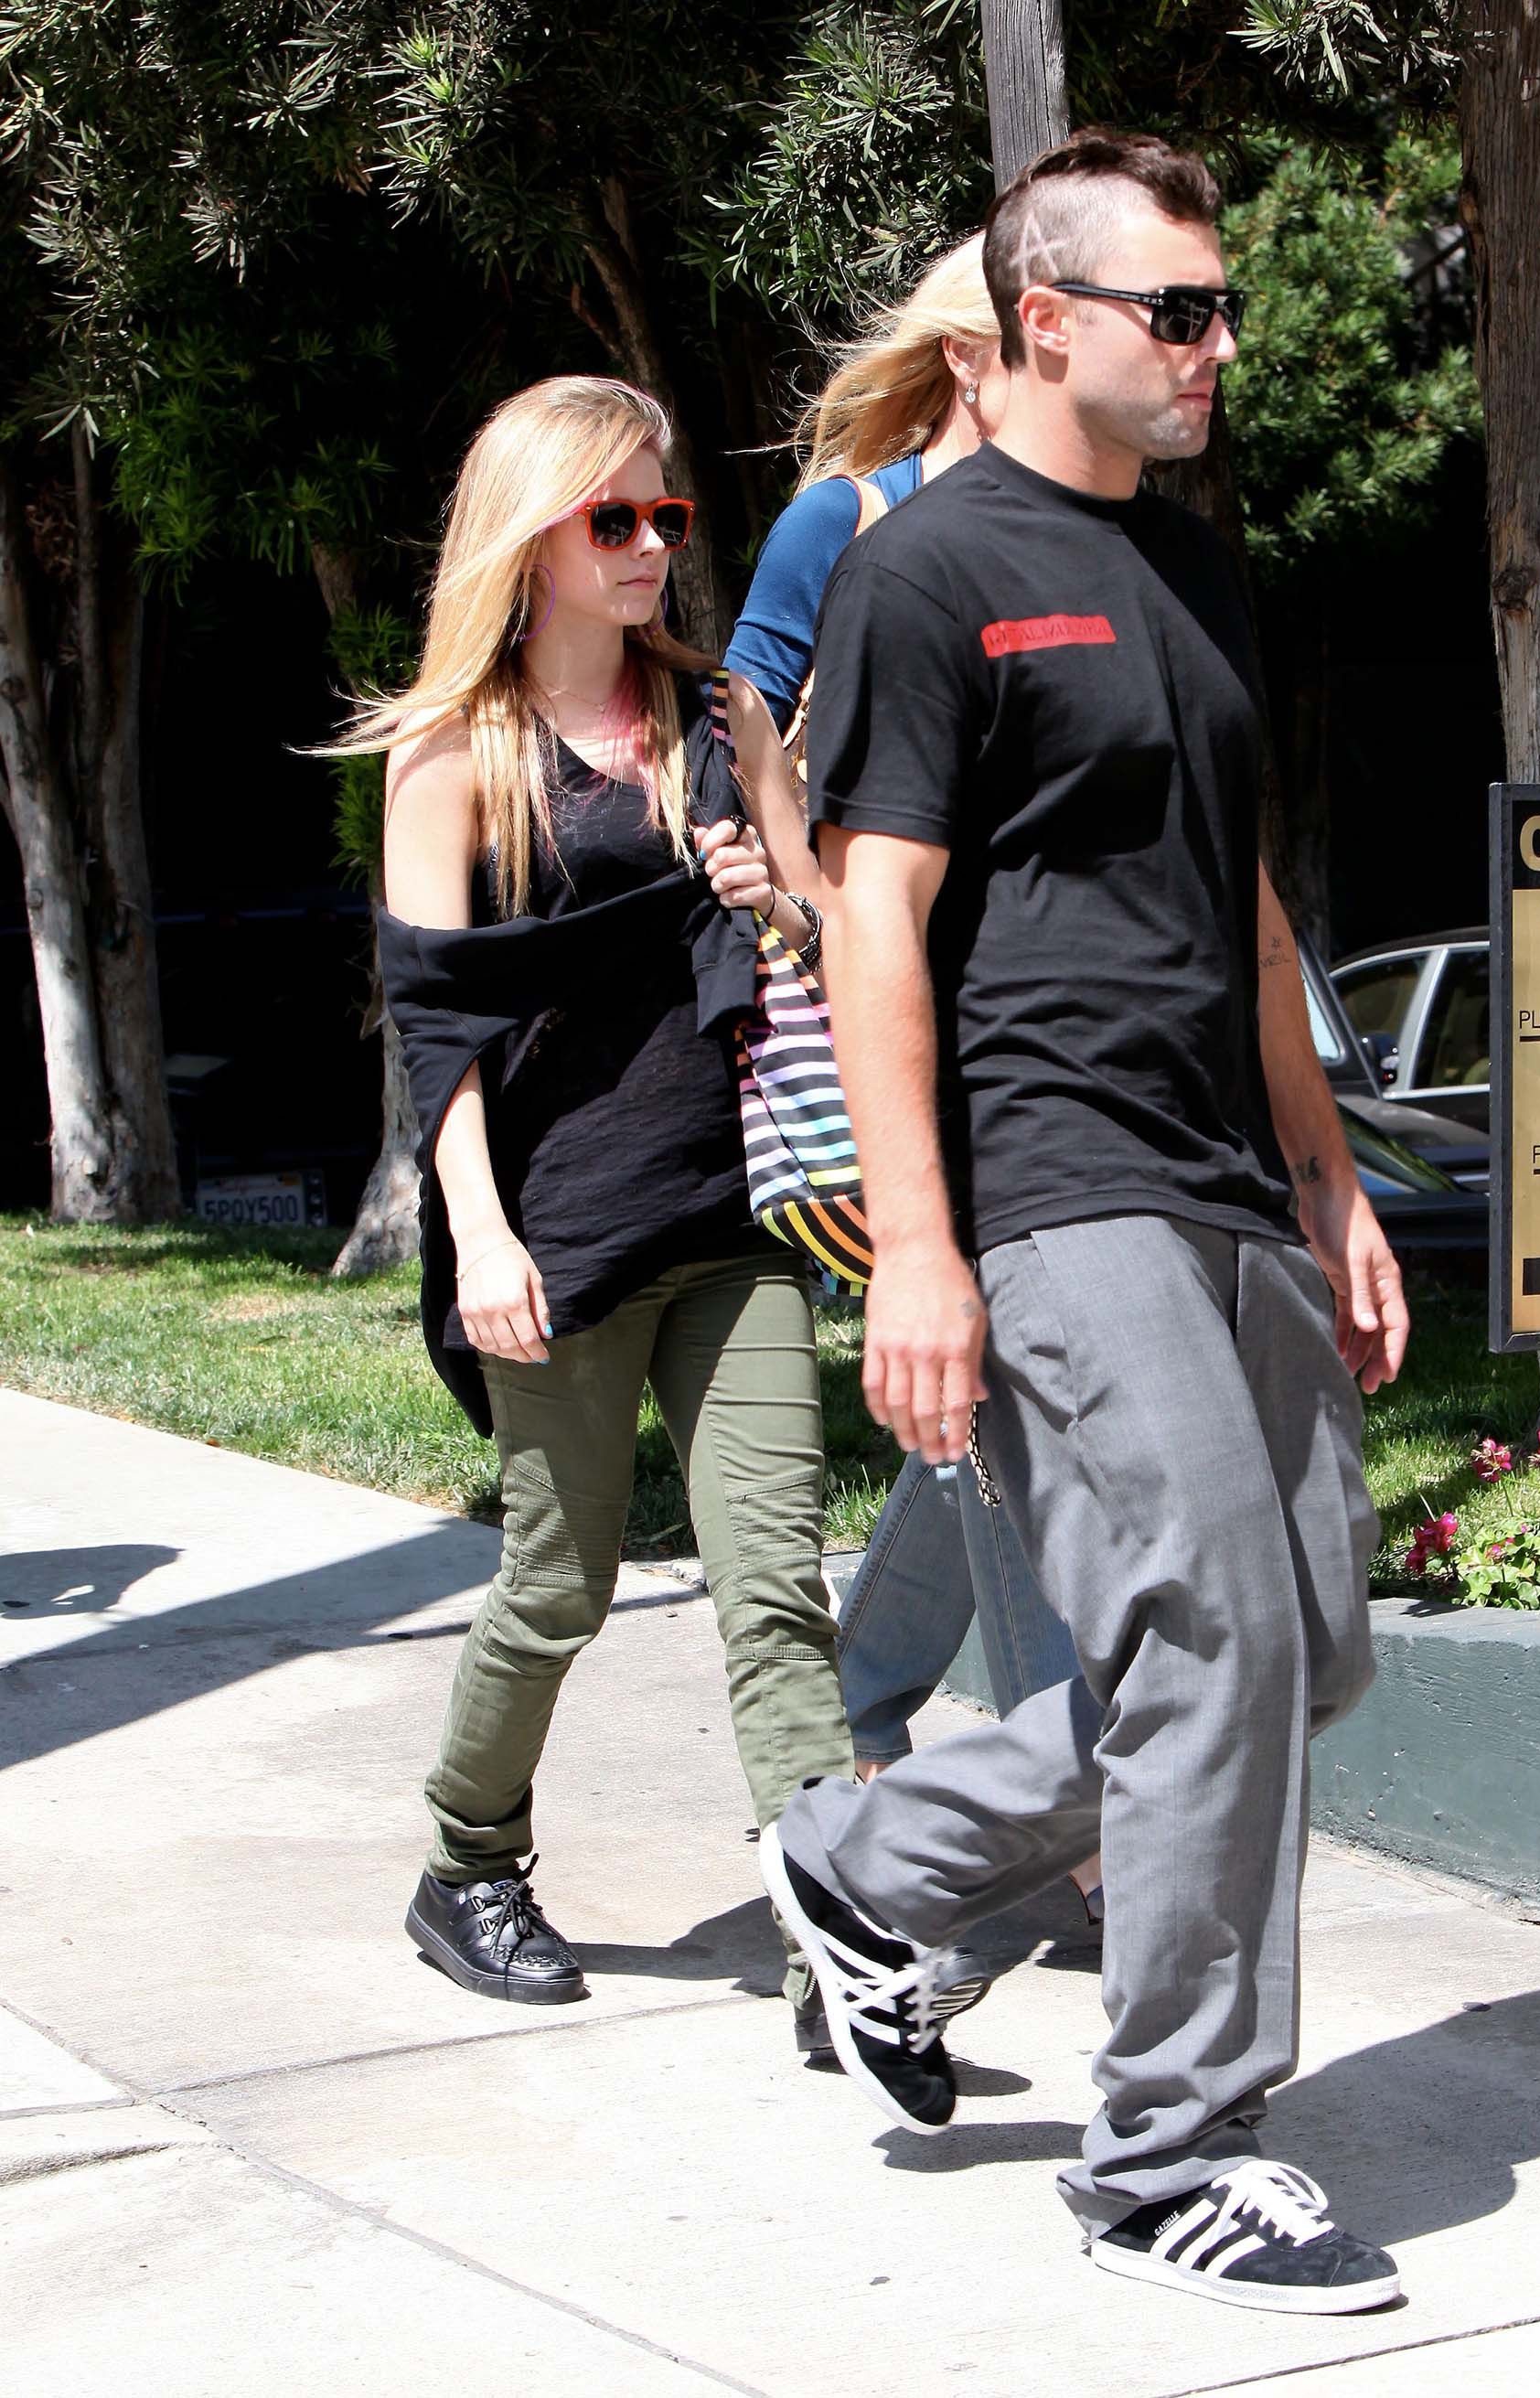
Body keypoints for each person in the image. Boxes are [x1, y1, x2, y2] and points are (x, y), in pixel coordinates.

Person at [758, 132, 1411, 2311]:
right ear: (1043, 321)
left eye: (1221, 310)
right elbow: (873, 920)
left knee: (1307, 1640)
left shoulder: (1195, 571)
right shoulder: (931, 571)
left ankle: (880, 1857)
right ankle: (1170, 2151)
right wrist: (918, 1246)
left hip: (1225, 1173)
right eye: (1179, 311)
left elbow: (1244, 904)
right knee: (1210, 1629)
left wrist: (1330, 1177)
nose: (1219, 346)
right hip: (1050, 1174)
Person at [340, 373, 856, 2056]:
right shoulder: (454, 754)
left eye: (665, 516)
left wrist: (778, 895)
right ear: (532, 533)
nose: (649, 545)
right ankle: (466, 1862)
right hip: (557, 1232)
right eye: (612, 518)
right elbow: (436, 1029)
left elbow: (828, 927)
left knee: (774, 1584)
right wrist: (480, 1236)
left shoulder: (722, 715)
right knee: (556, 1584)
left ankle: (836, 1938)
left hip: (734, 1213)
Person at [726, 240, 1097, 1913]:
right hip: (866, 1035)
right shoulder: (852, 518)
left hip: (1017, 1035)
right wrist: (808, 897)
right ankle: (1071, 1825)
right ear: (971, 357)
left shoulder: (1068, 533)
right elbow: (747, 708)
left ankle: (870, 1696)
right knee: (998, 1394)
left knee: (996, 1396)